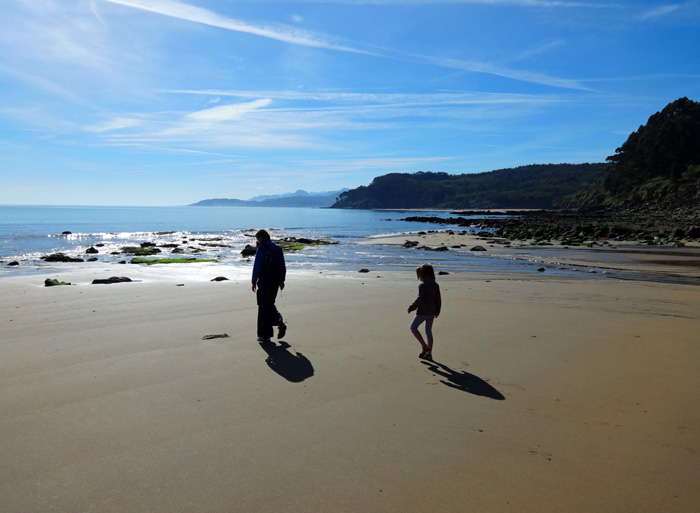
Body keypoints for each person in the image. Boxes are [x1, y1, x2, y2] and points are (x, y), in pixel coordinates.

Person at [251, 229, 287, 343]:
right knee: (269, 304)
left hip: (265, 281)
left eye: (258, 239)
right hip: (276, 282)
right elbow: (283, 265)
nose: (258, 241)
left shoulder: (262, 249)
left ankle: (264, 335)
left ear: (261, 238)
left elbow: (257, 266)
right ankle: (278, 322)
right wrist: (282, 281)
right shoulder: (277, 248)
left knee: (263, 306)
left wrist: (253, 281)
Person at [407, 263, 441, 361]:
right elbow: (438, 299)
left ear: (423, 274)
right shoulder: (435, 285)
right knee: (428, 331)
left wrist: (412, 307)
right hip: (432, 311)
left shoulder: (422, 286)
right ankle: (429, 355)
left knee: (413, 327)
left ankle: (424, 346)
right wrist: (438, 310)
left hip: (423, 311)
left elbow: (420, 298)